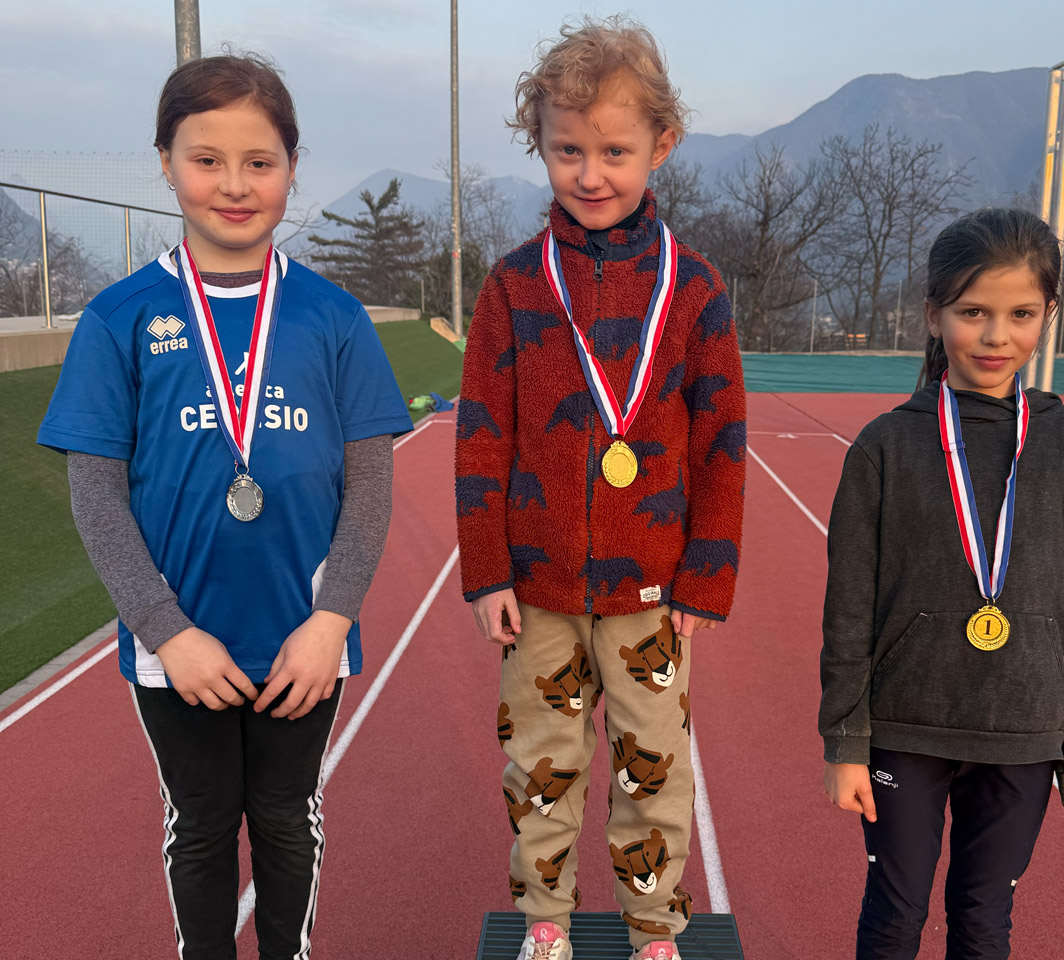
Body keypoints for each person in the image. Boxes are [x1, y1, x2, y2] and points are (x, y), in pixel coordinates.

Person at [37, 53, 412, 960]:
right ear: (165, 161)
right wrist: (166, 630)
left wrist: (333, 620)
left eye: (260, 161)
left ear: (291, 167)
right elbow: (95, 494)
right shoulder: (121, 317)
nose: (234, 185)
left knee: (287, 823)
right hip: (182, 651)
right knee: (201, 829)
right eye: (207, 159)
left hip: (303, 643)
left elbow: (370, 483)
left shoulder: (333, 318)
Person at [455, 17, 746, 960]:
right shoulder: (510, 288)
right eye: (567, 148)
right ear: (538, 143)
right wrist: (486, 570)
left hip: (651, 592)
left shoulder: (695, 290)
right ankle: (545, 918)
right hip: (537, 587)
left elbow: (724, 445)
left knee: (654, 772)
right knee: (543, 763)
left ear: (662, 145)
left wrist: (706, 576)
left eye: (614, 150)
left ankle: (656, 924)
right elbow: (479, 439)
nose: (590, 173)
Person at [820, 208, 1064, 959]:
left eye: (1021, 314)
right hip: (905, 726)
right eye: (973, 313)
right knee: (894, 917)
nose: (996, 337)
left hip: (1023, 730)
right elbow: (849, 607)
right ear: (934, 316)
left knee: (985, 921)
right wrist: (845, 739)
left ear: (1048, 314)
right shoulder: (886, 445)